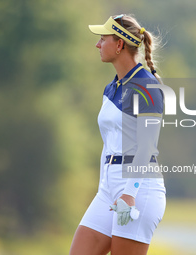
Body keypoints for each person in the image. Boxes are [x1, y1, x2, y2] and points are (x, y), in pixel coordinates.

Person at [69, 14, 166, 255]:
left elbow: (146, 148)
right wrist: (105, 187)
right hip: (109, 189)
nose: (97, 45)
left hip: (138, 191)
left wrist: (129, 193)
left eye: (103, 39)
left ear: (120, 44)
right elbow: (110, 143)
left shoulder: (147, 86)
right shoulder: (112, 87)